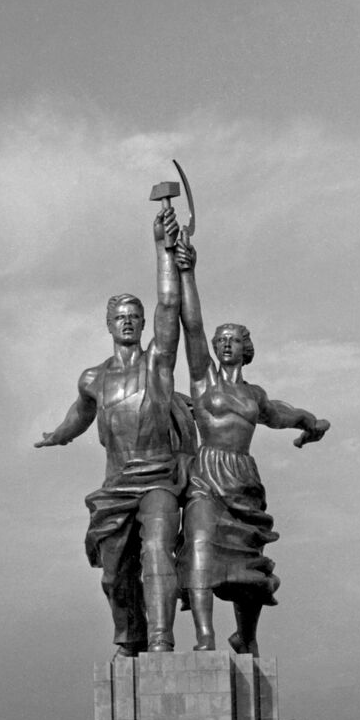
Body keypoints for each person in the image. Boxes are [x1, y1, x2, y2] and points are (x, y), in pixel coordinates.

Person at [35, 208, 195, 656]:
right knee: (113, 574)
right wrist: (59, 435)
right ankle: (132, 637)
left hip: (158, 478)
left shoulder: (157, 363)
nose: (128, 322)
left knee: (157, 551)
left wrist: (163, 248)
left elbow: (169, 304)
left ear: (143, 325)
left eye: (134, 316)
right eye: (120, 317)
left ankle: (162, 639)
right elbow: (81, 413)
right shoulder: (93, 378)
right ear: (109, 325)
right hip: (116, 485)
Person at [174, 231, 330, 655]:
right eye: (220, 339)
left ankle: (246, 636)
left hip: (242, 479)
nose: (224, 342)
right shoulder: (202, 379)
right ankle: (204, 635)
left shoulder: (255, 395)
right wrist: (187, 272)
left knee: (247, 565)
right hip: (207, 474)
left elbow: (284, 414)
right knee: (200, 544)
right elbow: (192, 324)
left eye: (233, 339)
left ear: (246, 349)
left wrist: (310, 423)